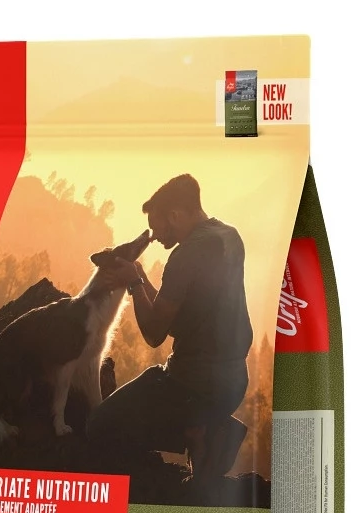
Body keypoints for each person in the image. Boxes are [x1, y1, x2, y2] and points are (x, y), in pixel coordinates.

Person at [87, 173, 250, 483]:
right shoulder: (229, 236)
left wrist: (133, 283)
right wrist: (139, 275)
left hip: (190, 384)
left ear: (174, 215)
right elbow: (176, 314)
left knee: (100, 426)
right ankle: (204, 424)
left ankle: (202, 431)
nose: (154, 236)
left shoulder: (186, 255)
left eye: (156, 225)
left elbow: (154, 333)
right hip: (232, 382)